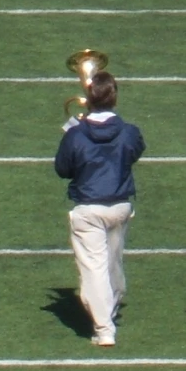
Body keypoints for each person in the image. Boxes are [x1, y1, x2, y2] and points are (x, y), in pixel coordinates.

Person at [55, 73, 145, 348]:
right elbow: (135, 150)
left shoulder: (76, 134)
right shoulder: (128, 131)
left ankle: (104, 327)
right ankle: (112, 305)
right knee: (113, 261)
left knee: (94, 268)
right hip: (119, 205)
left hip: (89, 207)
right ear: (115, 98)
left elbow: (62, 169)